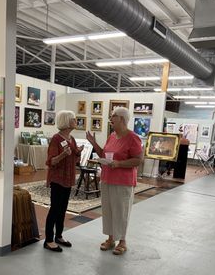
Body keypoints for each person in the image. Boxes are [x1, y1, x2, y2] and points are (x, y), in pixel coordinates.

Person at [86, 107, 143, 255]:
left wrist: (119, 164)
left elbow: (138, 160)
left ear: (122, 119)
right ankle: (110, 239)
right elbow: (103, 154)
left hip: (123, 181)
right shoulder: (112, 136)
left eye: (113, 116)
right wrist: (93, 143)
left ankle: (122, 241)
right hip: (107, 178)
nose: (110, 119)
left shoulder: (133, 137)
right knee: (108, 210)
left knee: (121, 211)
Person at [44, 110, 84, 252]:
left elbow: (73, 159)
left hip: (67, 178)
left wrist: (77, 152)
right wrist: (62, 155)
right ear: (67, 122)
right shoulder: (56, 139)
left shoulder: (71, 139)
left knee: (62, 208)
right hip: (57, 179)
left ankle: (59, 236)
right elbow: (50, 161)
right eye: (73, 119)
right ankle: (48, 240)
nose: (76, 121)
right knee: (55, 208)